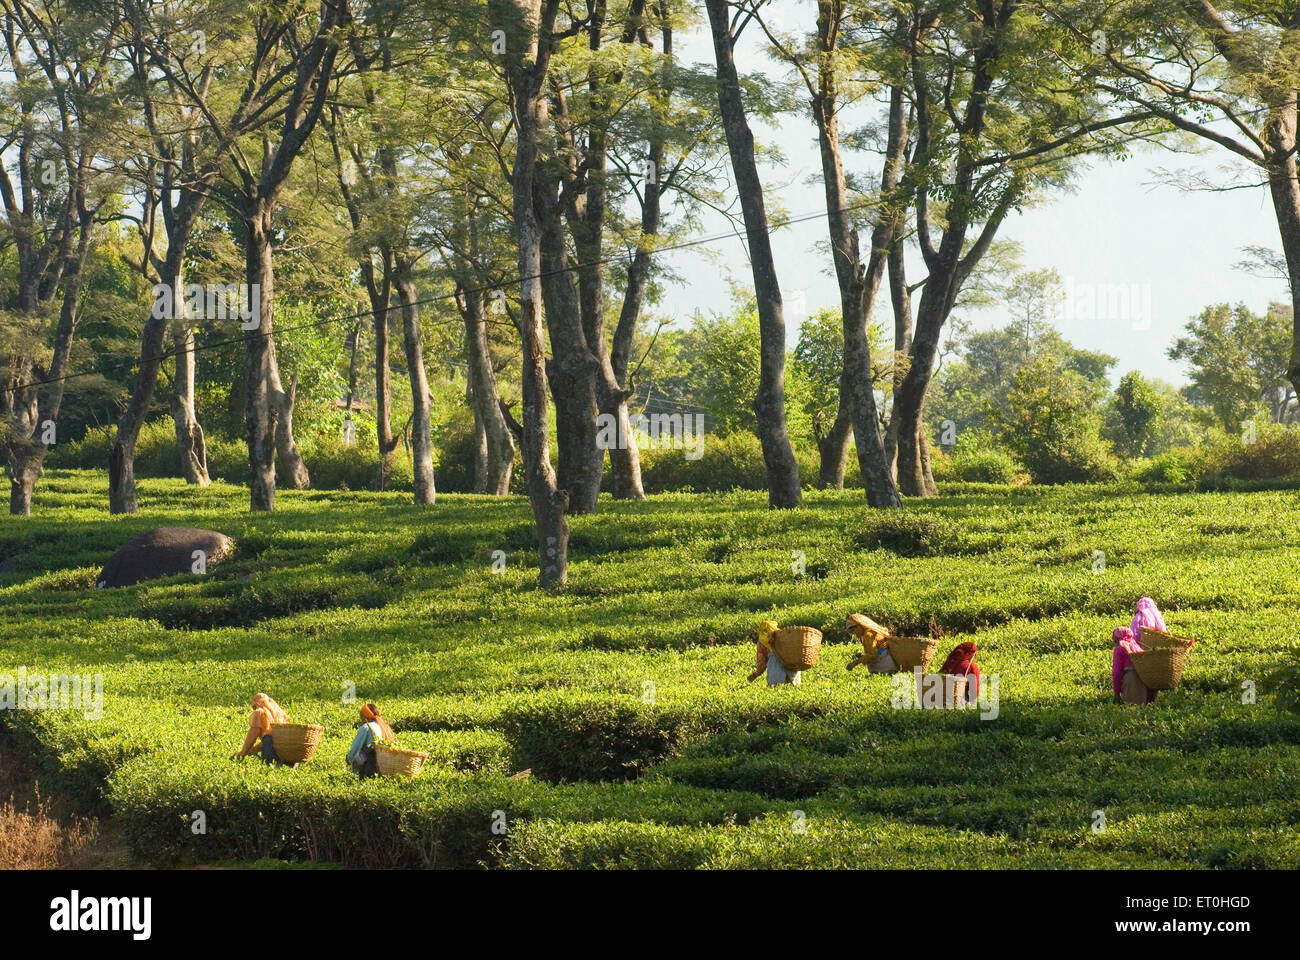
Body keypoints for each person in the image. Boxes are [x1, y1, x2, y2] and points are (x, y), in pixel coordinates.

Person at [1111, 596, 1176, 704]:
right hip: (1145, 680)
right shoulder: (1137, 646)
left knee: (1133, 710)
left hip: (1131, 681)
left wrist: (1116, 693)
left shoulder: (1120, 648)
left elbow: (1116, 673)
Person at [234, 693, 288, 764]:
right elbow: (272, 738)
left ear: (256, 703)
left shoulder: (259, 712)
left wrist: (243, 752)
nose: (255, 709)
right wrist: (253, 750)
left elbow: (253, 735)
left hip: (271, 751)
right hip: (286, 751)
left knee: (270, 771)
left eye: (254, 707)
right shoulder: (278, 714)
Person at [346, 702, 396, 778]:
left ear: (365, 716)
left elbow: (354, 749)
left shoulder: (366, 727)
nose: (360, 719)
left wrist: (348, 759)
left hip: (370, 768)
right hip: (384, 766)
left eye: (361, 716)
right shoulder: (382, 726)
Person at [748, 619, 801, 686]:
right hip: (791, 668)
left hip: (775, 670)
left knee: (777, 688)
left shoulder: (761, 642)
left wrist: (755, 674)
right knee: (792, 688)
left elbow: (762, 664)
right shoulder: (783, 636)